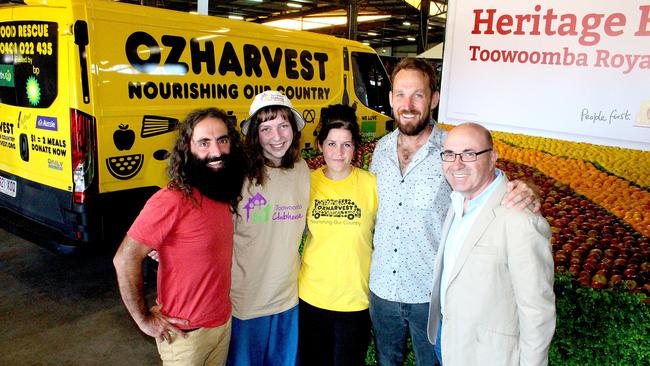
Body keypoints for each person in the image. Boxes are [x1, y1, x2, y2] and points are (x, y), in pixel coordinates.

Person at [368, 57, 540, 365]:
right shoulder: (379, 150)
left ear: (433, 99)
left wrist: (528, 189)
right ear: (391, 99)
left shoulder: (453, 149)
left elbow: (489, 187)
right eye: (400, 94)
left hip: (430, 297)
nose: (408, 104)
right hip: (382, 290)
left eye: (418, 94)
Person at [113, 108, 247, 365]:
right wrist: (144, 320)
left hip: (222, 324)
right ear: (188, 147)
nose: (216, 152)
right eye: (204, 143)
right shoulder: (172, 199)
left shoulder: (221, 191)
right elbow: (124, 259)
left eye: (223, 140)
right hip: (186, 336)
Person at [427, 123, 556, 365]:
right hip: (449, 342)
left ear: (493, 158)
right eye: (450, 154)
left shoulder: (520, 219)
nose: (457, 164)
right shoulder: (458, 200)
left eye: (469, 154)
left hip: (487, 356)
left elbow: (537, 312)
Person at [227, 91, 310, 366]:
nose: (276, 136)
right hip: (246, 302)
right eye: (266, 128)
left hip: (287, 299)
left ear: (293, 129)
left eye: (283, 125)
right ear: (255, 135)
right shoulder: (238, 175)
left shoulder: (302, 169)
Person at [297, 104, 378, 366]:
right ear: (320, 145)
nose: (339, 153)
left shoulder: (371, 184)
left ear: (356, 147)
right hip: (311, 297)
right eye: (331, 144)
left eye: (346, 144)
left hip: (355, 301)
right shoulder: (307, 183)